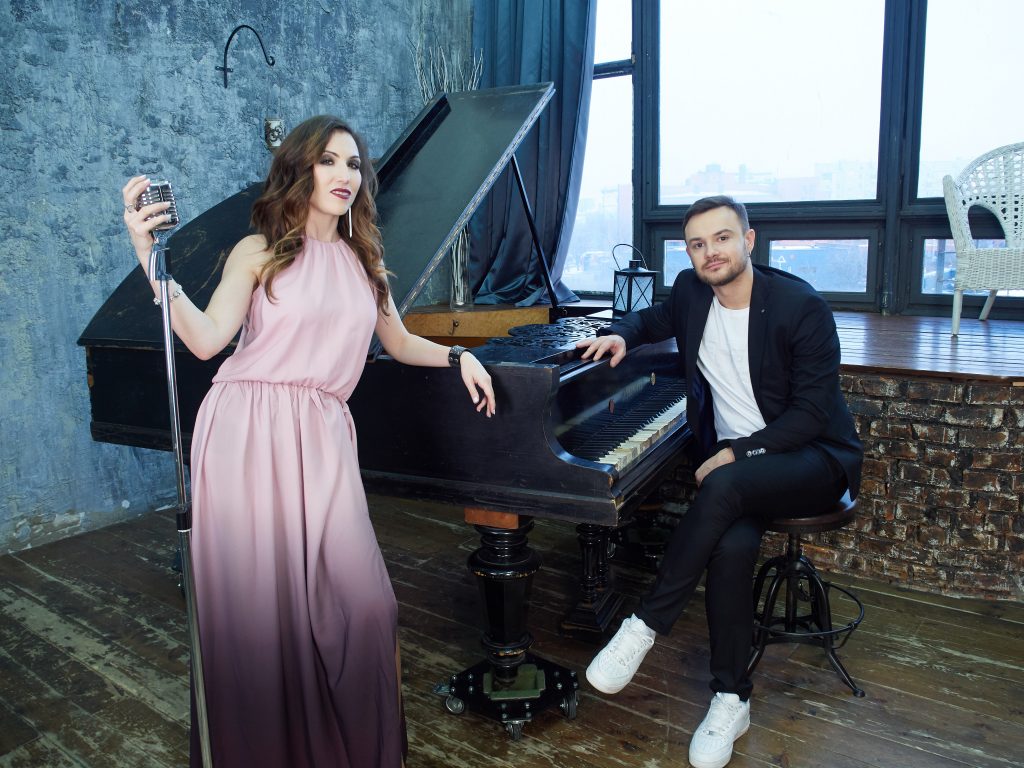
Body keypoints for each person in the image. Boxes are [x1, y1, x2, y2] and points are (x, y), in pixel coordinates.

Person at [121, 115, 495, 768]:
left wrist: (460, 356)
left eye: (353, 164)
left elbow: (399, 341)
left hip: (323, 437)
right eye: (328, 161)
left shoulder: (366, 264)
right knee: (263, 619)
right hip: (245, 432)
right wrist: (149, 257)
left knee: (368, 605)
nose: (345, 174)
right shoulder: (258, 251)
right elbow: (205, 341)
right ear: (300, 169)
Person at [575, 196, 862, 768]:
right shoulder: (690, 291)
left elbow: (810, 414)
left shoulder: (801, 307)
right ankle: (732, 698)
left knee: (724, 486)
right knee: (730, 549)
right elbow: (650, 319)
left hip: (814, 458)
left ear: (748, 240)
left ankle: (644, 625)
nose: (711, 252)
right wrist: (622, 334)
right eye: (698, 244)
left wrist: (737, 452)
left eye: (722, 238)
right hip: (744, 473)